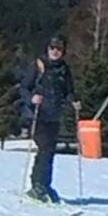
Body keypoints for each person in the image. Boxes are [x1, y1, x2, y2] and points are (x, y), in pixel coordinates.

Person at [19, 35, 78, 203]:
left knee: (50, 151)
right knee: (44, 148)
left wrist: (74, 101)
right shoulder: (38, 65)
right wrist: (31, 98)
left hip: (54, 115)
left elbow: (68, 90)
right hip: (37, 114)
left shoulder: (64, 69)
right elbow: (24, 87)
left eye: (59, 49)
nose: (55, 51)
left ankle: (45, 184)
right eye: (52, 48)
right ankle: (37, 184)